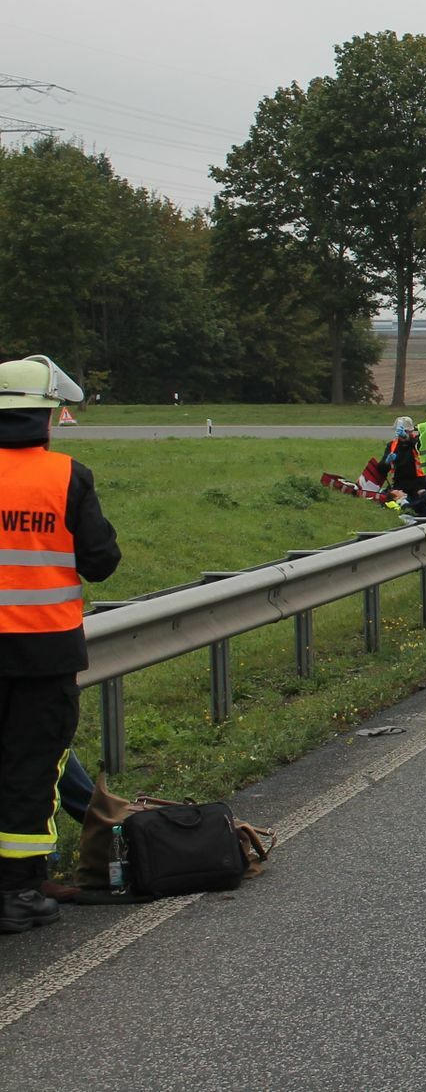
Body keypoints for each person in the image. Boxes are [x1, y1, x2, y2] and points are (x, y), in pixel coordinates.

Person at [0, 355, 121, 933]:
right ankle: (17, 891)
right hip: (43, 654)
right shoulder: (68, 476)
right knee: (30, 768)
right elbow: (101, 562)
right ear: (47, 417)